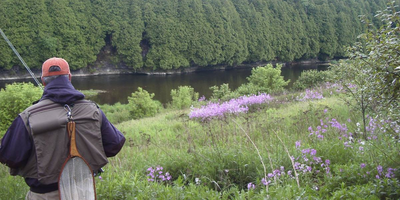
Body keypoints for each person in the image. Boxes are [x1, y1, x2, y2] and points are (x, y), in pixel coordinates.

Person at [0, 57, 126, 199]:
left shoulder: (28, 117)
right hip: (83, 191)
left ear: (43, 81)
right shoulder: (93, 110)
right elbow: (115, 144)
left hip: (44, 194)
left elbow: (9, 157)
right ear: (70, 78)